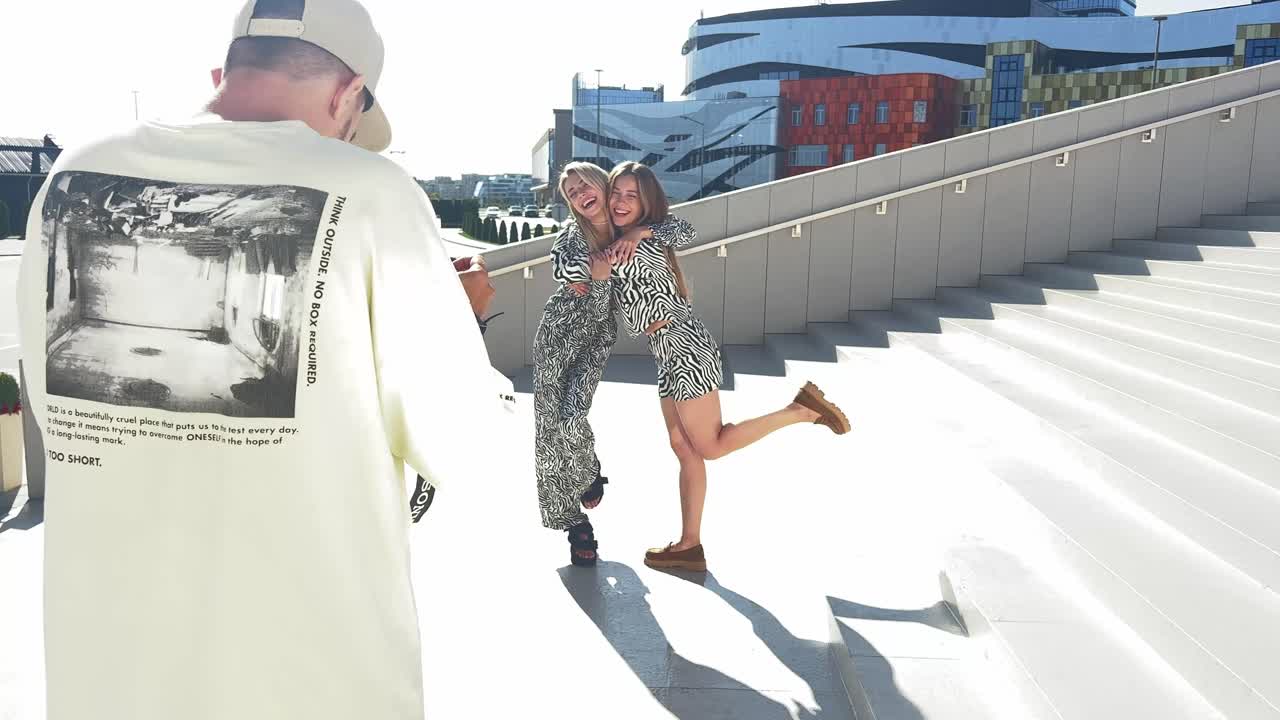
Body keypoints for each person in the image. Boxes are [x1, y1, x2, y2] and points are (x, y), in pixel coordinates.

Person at [16, 1, 513, 719]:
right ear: (347, 95)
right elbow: (463, 442)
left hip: (112, 671)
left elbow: (52, 380)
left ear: (224, 72)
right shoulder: (371, 192)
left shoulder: (71, 177)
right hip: (313, 673)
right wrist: (462, 329)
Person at [603, 162, 850, 572]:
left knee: (711, 447)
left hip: (684, 348)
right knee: (683, 447)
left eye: (632, 195)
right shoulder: (618, 241)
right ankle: (689, 545)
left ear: (646, 202)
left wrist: (639, 231)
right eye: (617, 193)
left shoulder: (644, 239)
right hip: (667, 352)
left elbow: (683, 230)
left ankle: (802, 410)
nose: (622, 202)